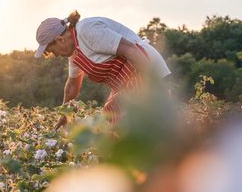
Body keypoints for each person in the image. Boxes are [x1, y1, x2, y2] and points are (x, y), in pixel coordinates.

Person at [34, 11, 171, 129]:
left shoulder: (87, 30)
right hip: (125, 84)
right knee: (110, 119)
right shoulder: (74, 54)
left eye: (52, 50)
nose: (56, 55)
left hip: (142, 68)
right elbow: (72, 85)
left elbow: (131, 50)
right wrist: (64, 115)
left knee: (129, 124)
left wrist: (155, 85)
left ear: (60, 40)